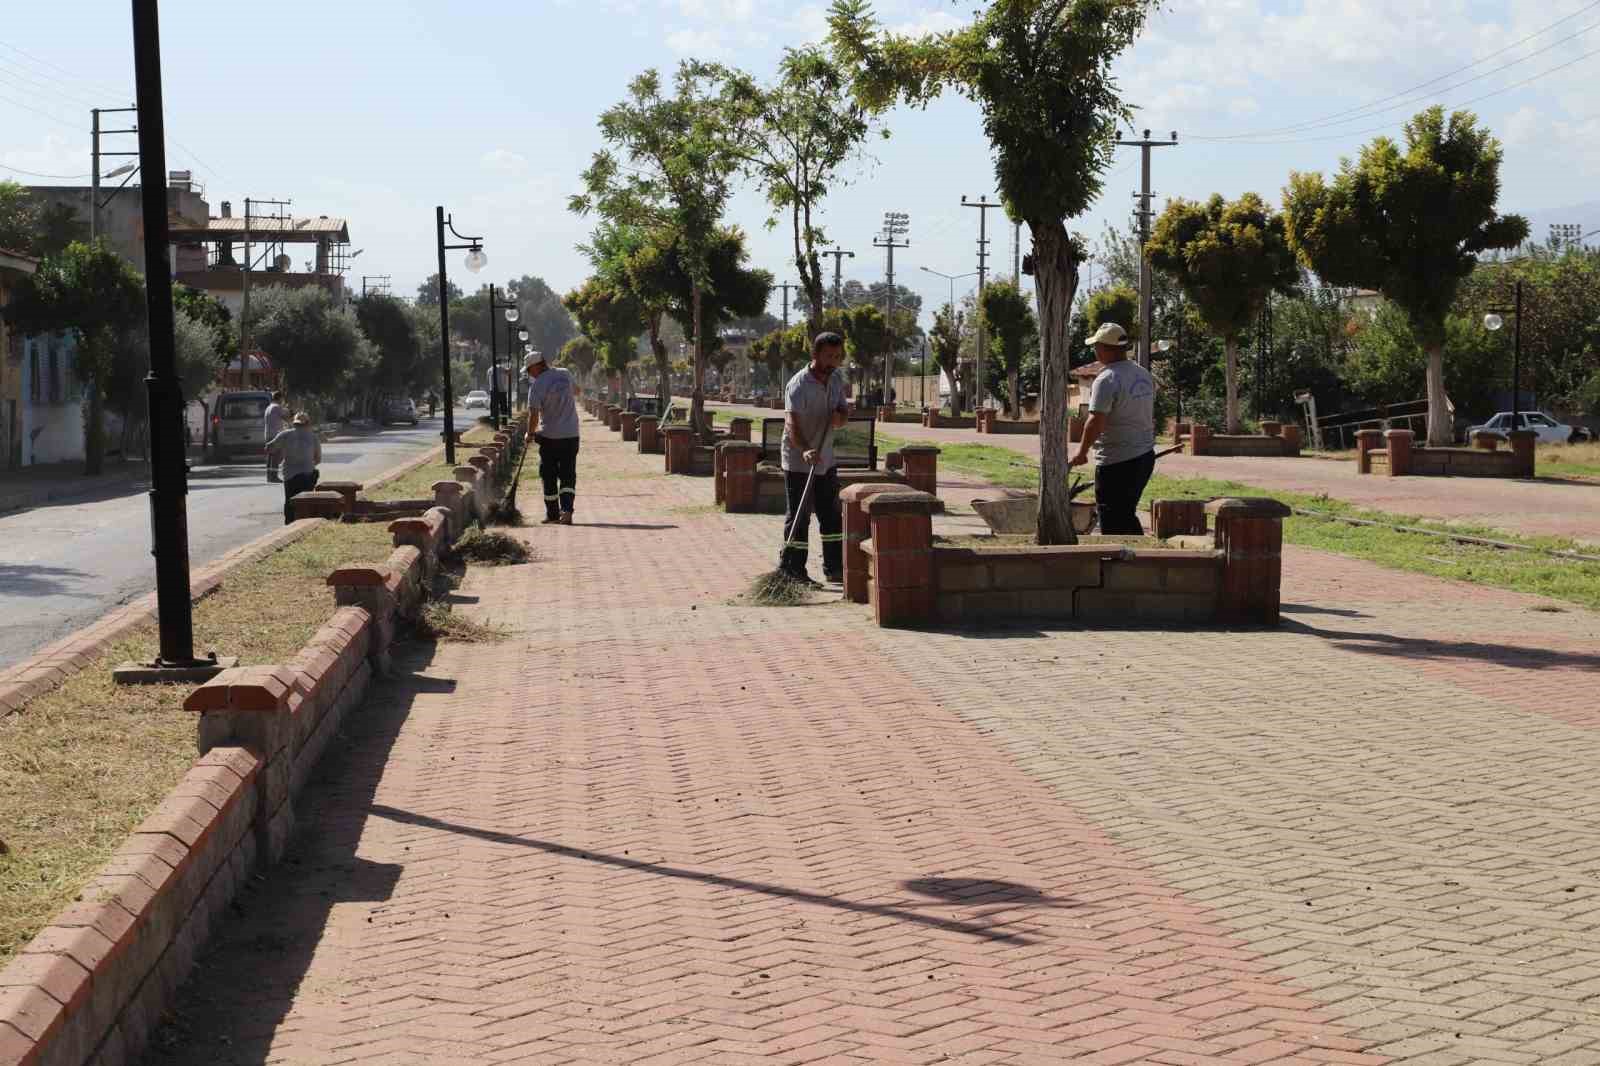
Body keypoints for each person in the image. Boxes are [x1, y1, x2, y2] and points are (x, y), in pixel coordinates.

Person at [778, 332, 851, 586]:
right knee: (799, 515)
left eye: (837, 356)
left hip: (827, 459)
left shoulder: (836, 379)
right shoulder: (798, 384)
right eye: (829, 356)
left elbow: (844, 412)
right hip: (800, 460)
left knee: (831, 514)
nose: (833, 361)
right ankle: (794, 570)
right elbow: (791, 424)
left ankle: (834, 568)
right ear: (815, 355)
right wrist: (806, 449)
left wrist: (839, 418)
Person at [1071, 323, 1156, 535]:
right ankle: (1138, 560)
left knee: (1112, 517)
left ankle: (1123, 563)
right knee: (1125, 513)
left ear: (1107, 348)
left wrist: (1081, 452)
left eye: (1097, 346)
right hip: (1144, 456)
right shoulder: (1143, 374)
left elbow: (1095, 421)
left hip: (1116, 460)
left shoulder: (1107, 378)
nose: (1095, 351)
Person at [524, 350, 580, 525]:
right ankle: (567, 511)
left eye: (528, 370)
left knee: (548, 475)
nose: (528, 374)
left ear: (536, 366)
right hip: (571, 434)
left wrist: (530, 434)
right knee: (568, 474)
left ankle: (553, 514)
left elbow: (533, 414)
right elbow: (577, 391)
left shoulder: (537, 385)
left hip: (550, 437)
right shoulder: (564, 373)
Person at [268, 412, 322, 525]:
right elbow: (318, 459)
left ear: (294, 423)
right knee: (306, 502)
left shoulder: (285, 434)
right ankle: (305, 523)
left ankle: (289, 524)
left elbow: (269, 448)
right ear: (308, 424)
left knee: (290, 501)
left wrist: (280, 452)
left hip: (289, 475)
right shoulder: (313, 437)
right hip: (307, 475)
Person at [263, 390, 286, 482]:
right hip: (275, 435)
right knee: (276, 456)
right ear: (279, 398)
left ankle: (269, 476)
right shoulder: (277, 407)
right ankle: (274, 476)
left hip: (268, 434)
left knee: (270, 456)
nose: (282, 401)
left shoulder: (268, 407)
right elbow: (285, 417)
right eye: (282, 398)